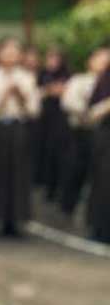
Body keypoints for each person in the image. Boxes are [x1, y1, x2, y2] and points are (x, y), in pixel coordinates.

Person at [0, 38, 41, 237]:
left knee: (15, 175)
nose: (10, 57)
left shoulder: (27, 78)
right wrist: (2, 96)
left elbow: (34, 110)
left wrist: (21, 96)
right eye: (6, 52)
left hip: (16, 128)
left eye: (15, 53)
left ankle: (11, 221)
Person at [59, 48, 110, 216]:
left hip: (101, 133)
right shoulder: (79, 80)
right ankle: (68, 206)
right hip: (80, 132)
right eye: (101, 59)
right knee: (75, 170)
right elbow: (69, 103)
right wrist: (93, 109)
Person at [35, 47, 71, 201]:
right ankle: (45, 185)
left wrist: (60, 91)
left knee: (59, 153)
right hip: (43, 119)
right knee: (45, 151)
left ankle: (57, 188)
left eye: (55, 58)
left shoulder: (68, 75)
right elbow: (36, 92)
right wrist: (49, 91)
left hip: (61, 119)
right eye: (49, 58)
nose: (51, 62)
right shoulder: (42, 74)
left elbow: (68, 93)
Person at [85, 65, 110, 243]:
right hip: (106, 138)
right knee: (104, 183)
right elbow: (91, 113)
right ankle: (101, 227)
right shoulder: (104, 81)